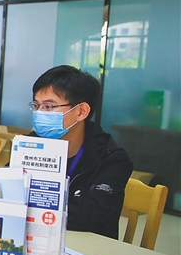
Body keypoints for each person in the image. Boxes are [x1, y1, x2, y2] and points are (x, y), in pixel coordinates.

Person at [29, 65, 132, 239]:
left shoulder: (112, 159)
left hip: (86, 248)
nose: (39, 113)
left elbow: (89, 216)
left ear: (81, 111)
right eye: (36, 105)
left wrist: (29, 206)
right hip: (37, 239)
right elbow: (7, 189)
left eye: (48, 106)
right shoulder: (32, 144)